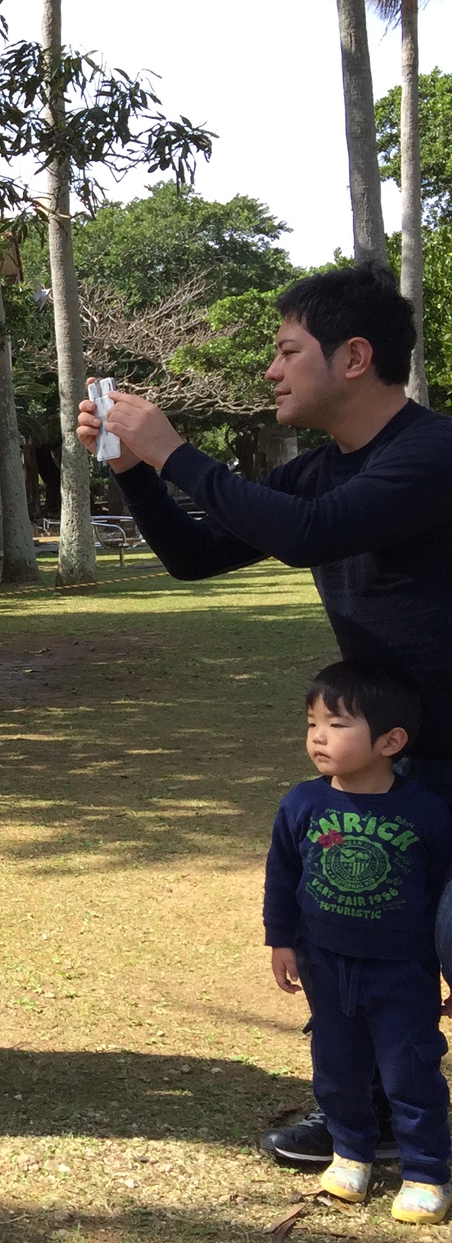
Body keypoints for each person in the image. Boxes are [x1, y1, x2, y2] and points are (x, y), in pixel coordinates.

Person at [78, 264, 452, 1169]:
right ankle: (368, 1118)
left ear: (354, 356)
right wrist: (135, 474)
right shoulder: (322, 469)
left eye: (287, 351)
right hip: (387, 762)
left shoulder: (431, 454)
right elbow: (198, 557)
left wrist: (171, 448)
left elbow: (309, 537)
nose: (272, 371)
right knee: (362, 937)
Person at [265, 661, 450, 1223]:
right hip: (326, 964)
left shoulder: (426, 812)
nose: (318, 736)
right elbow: (283, 875)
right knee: (337, 1068)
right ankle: (351, 1153)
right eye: (312, 723)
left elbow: (446, 897)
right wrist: (281, 940)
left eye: (338, 724)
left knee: (410, 1072)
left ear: (391, 741)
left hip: (402, 972)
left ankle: (425, 1172)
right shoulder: (301, 804)